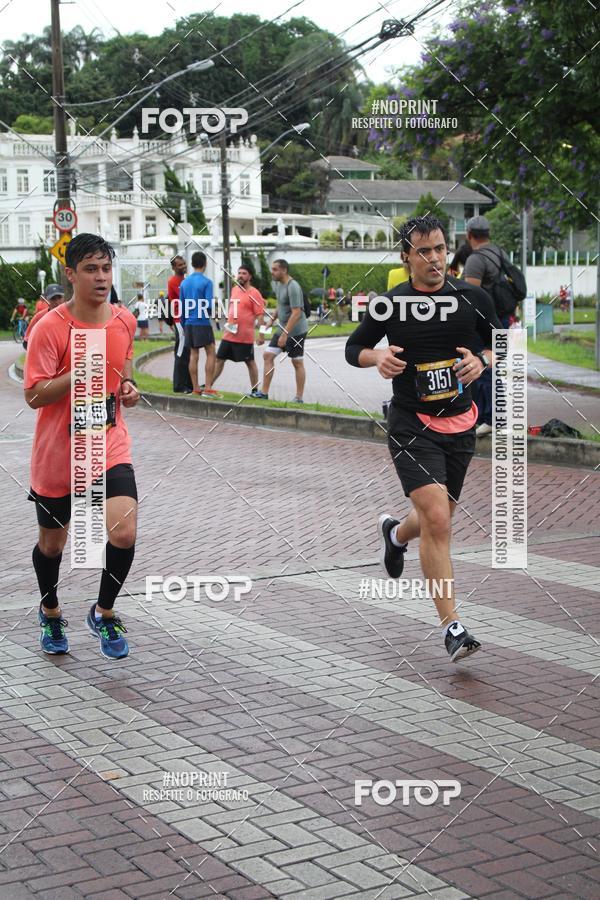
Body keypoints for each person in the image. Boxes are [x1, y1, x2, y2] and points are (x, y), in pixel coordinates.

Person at [345, 214, 501, 662]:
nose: (434, 259)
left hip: (461, 423)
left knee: (438, 518)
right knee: (438, 519)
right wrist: (378, 356)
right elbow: (354, 348)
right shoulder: (389, 304)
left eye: (439, 249)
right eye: (423, 251)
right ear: (406, 257)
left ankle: (395, 535)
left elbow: (503, 344)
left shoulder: (474, 297)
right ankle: (452, 626)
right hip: (411, 423)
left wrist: (483, 360)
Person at [24, 233, 139, 660]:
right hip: (59, 451)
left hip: (107, 441)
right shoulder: (49, 328)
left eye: (106, 268)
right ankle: (51, 610)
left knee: (123, 532)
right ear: (70, 274)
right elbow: (34, 395)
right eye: (91, 269)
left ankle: (104, 612)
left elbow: (124, 371)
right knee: (53, 545)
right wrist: (77, 371)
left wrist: (128, 388)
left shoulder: (123, 321)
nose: (101, 277)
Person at [462, 215, 512, 436]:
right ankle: (488, 416)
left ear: (469, 235)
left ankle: (492, 418)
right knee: (493, 366)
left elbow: (471, 295)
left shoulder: (475, 259)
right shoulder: (500, 254)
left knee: (482, 365)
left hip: (483, 322)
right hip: (502, 319)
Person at [254, 259, 308, 403]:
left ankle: (299, 397)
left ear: (284, 270)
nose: (272, 272)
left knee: (297, 362)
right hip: (283, 327)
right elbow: (280, 305)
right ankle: (264, 393)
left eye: (275, 269)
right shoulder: (278, 284)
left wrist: (285, 335)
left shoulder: (293, 286)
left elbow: (296, 313)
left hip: (297, 331)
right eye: (272, 269)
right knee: (268, 356)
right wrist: (270, 321)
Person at [212, 265, 266, 396]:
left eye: (244, 273)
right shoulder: (235, 289)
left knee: (250, 362)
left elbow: (261, 316)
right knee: (219, 359)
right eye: (239, 273)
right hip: (229, 334)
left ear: (250, 276)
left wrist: (262, 335)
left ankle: (255, 391)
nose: (240, 275)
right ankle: (208, 386)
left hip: (245, 336)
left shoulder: (255, 293)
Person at [179, 251, 220, 397]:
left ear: (192, 264)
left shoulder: (184, 283)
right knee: (211, 352)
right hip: (202, 322)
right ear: (205, 264)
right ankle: (208, 388)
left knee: (193, 354)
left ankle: (196, 388)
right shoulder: (207, 282)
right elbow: (208, 305)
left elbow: (182, 306)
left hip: (189, 322)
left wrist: (184, 325)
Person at [167, 255, 193, 393]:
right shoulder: (173, 281)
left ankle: (188, 384)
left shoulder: (184, 280)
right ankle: (179, 385)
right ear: (173, 267)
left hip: (186, 319)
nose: (183, 266)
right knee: (181, 352)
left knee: (187, 352)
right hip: (179, 320)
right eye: (179, 265)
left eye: (184, 263)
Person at [23, 284, 65, 349]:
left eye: (59, 297)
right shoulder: (39, 317)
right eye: (53, 298)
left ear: (64, 298)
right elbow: (27, 342)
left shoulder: (74, 315)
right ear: (47, 300)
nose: (57, 302)